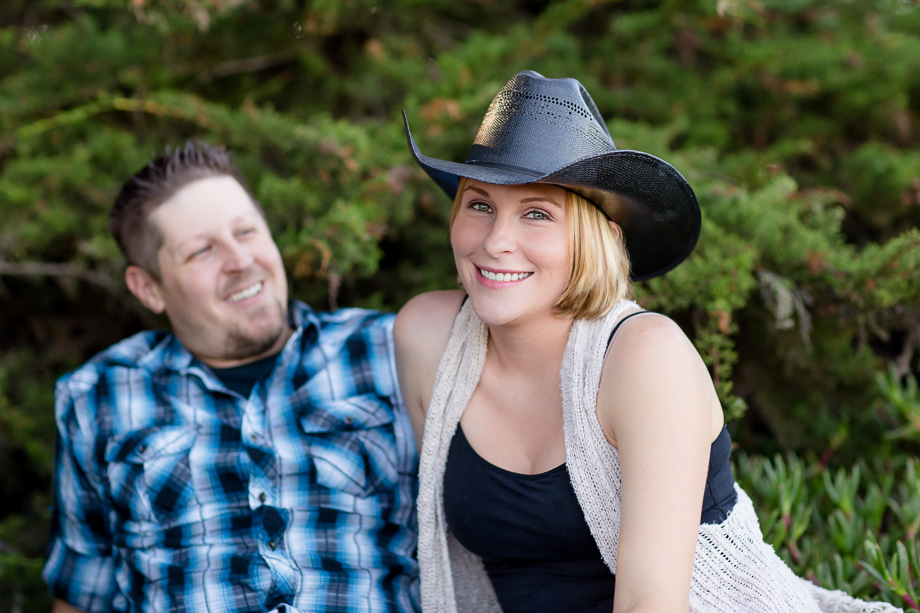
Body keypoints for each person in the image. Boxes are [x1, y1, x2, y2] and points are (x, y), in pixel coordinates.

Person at [394, 71, 902, 612]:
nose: (496, 241)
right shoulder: (428, 340)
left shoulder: (643, 357)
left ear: (601, 238)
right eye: (479, 205)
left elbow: (651, 604)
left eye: (537, 213)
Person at [43, 142, 420, 613]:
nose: (240, 260)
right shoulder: (99, 396)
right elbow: (81, 596)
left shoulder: (393, 349)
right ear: (148, 288)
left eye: (247, 232)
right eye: (202, 250)